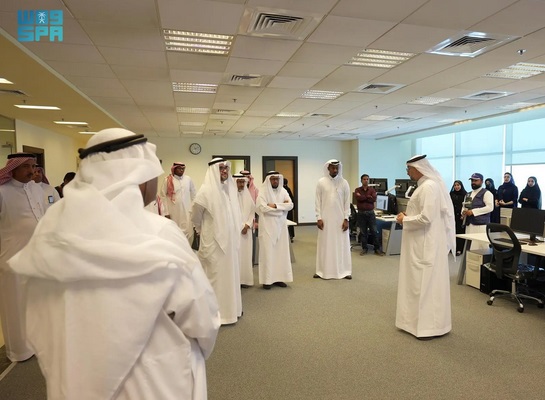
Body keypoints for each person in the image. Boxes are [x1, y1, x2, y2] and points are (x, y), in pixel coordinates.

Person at [9, 128, 220, 400]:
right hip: (155, 380)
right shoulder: (160, 233)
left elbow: (38, 319)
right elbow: (202, 319)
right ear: (139, 177)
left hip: (74, 381)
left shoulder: (50, 233)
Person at [395, 155, 455, 340]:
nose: (407, 172)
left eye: (409, 169)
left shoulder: (429, 187)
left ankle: (428, 327)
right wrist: (407, 215)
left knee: (425, 284)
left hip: (424, 244)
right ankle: (413, 323)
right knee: (417, 283)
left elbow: (426, 218)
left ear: (418, 168)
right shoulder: (424, 186)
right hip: (418, 243)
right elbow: (421, 212)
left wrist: (405, 219)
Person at [0, 153, 45, 362]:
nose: (31, 170)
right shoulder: (2, 192)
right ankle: (19, 350)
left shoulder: (37, 189)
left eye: (33, 166)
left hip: (37, 257)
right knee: (15, 305)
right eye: (26, 166)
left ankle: (36, 342)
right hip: (11, 258)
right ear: (13, 169)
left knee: (36, 302)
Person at [191, 158, 242, 325]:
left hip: (229, 244)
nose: (224, 171)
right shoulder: (205, 191)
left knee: (230, 276)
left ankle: (231, 311)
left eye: (226, 168)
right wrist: (202, 231)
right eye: (221, 168)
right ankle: (215, 314)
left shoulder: (229, 190)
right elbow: (195, 217)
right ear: (213, 171)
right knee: (215, 276)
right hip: (213, 243)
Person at [314, 159, 352, 280]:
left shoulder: (344, 183)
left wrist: (346, 218)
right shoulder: (321, 182)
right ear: (328, 168)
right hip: (325, 219)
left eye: (337, 168)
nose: (335, 170)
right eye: (333, 168)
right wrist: (319, 217)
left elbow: (347, 203)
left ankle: (345, 271)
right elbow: (317, 201)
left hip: (340, 219)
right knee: (324, 244)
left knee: (342, 244)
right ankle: (321, 271)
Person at [256, 171, 293, 290]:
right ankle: (267, 280)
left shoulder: (283, 191)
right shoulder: (262, 192)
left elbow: (290, 205)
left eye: (277, 179)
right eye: (273, 179)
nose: (275, 181)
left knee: (281, 253)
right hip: (267, 227)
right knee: (268, 253)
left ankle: (279, 278)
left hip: (281, 227)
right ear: (269, 180)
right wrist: (281, 208)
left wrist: (275, 205)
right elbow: (262, 208)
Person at [160, 162, 197, 243]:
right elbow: (163, 196)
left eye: (183, 169)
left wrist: (193, 209)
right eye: (179, 169)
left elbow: (194, 194)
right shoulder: (168, 180)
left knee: (188, 231)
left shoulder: (188, 179)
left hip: (187, 211)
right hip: (173, 212)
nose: (182, 170)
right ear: (174, 169)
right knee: (175, 232)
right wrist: (166, 212)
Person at [234, 173, 255, 288]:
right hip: (235, 231)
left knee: (246, 255)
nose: (241, 184)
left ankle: (245, 280)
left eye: (243, 182)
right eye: (239, 182)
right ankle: (236, 280)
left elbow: (252, 212)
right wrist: (240, 226)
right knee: (236, 255)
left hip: (246, 231)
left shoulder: (248, 196)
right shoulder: (229, 196)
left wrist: (247, 225)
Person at [462, 173, 494, 251]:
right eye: (472, 180)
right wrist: (463, 212)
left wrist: (473, 212)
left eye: (476, 180)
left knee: (482, 247)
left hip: (481, 225)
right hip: (469, 224)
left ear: (481, 181)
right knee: (469, 247)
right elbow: (464, 206)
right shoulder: (468, 194)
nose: (473, 182)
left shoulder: (487, 193)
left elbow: (490, 207)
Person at [354, 174, 384, 256]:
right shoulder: (357, 190)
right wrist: (368, 197)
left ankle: (377, 249)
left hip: (370, 213)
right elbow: (358, 198)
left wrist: (364, 197)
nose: (366, 180)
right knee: (363, 232)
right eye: (364, 179)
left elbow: (374, 199)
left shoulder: (372, 190)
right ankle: (364, 248)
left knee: (374, 231)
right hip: (361, 213)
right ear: (361, 180)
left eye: (367, 179)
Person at [449, 180, 468, 255]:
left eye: (458, 185)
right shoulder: (451, 194)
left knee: (460, 232)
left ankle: (460, 249)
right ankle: (453, 247)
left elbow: (466, 206)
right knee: (452, 232)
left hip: (461, 216)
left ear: (461, 186)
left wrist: (463, 215)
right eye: (455, 185)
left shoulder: (465, 194)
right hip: (452, 216)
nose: (456, 187)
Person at [284, 178, 295, 242]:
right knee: (290, 223)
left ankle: (288, 236)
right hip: (289, 210)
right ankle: (291, 235)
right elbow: (292, 199)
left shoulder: (283, 190)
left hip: (285, 209)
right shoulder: (288, 189)